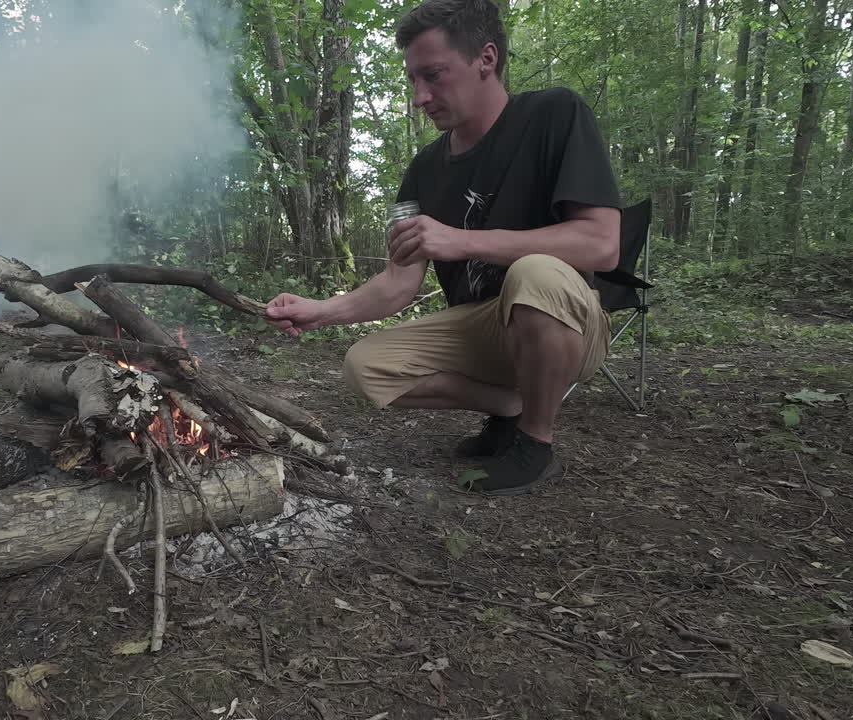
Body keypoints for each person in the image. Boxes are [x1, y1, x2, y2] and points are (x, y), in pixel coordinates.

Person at [265, 0, 622, 495]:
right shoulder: (422, 170)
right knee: (364, 367)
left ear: (486, 58)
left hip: (567, 320)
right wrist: (320, 311)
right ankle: (508, 408)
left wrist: (463, 240)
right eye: (413, 80)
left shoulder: (554, 114)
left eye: (433, 76)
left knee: (535, 273)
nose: (419, 96)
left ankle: (535, 445)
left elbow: (602, 244)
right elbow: (397, 282)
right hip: (484, 327)